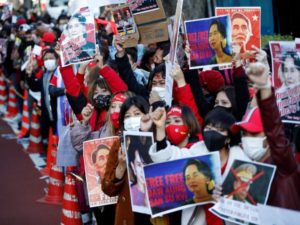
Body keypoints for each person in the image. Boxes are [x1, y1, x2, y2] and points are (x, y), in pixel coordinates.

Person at [231, 62, 300, 210]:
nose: (247, 138)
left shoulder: (284, 165)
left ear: (269, 137)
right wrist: (225, 199)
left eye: (254, 133)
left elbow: (275, 131)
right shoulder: (242, 170)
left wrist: (265, 89)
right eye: (245, 133)